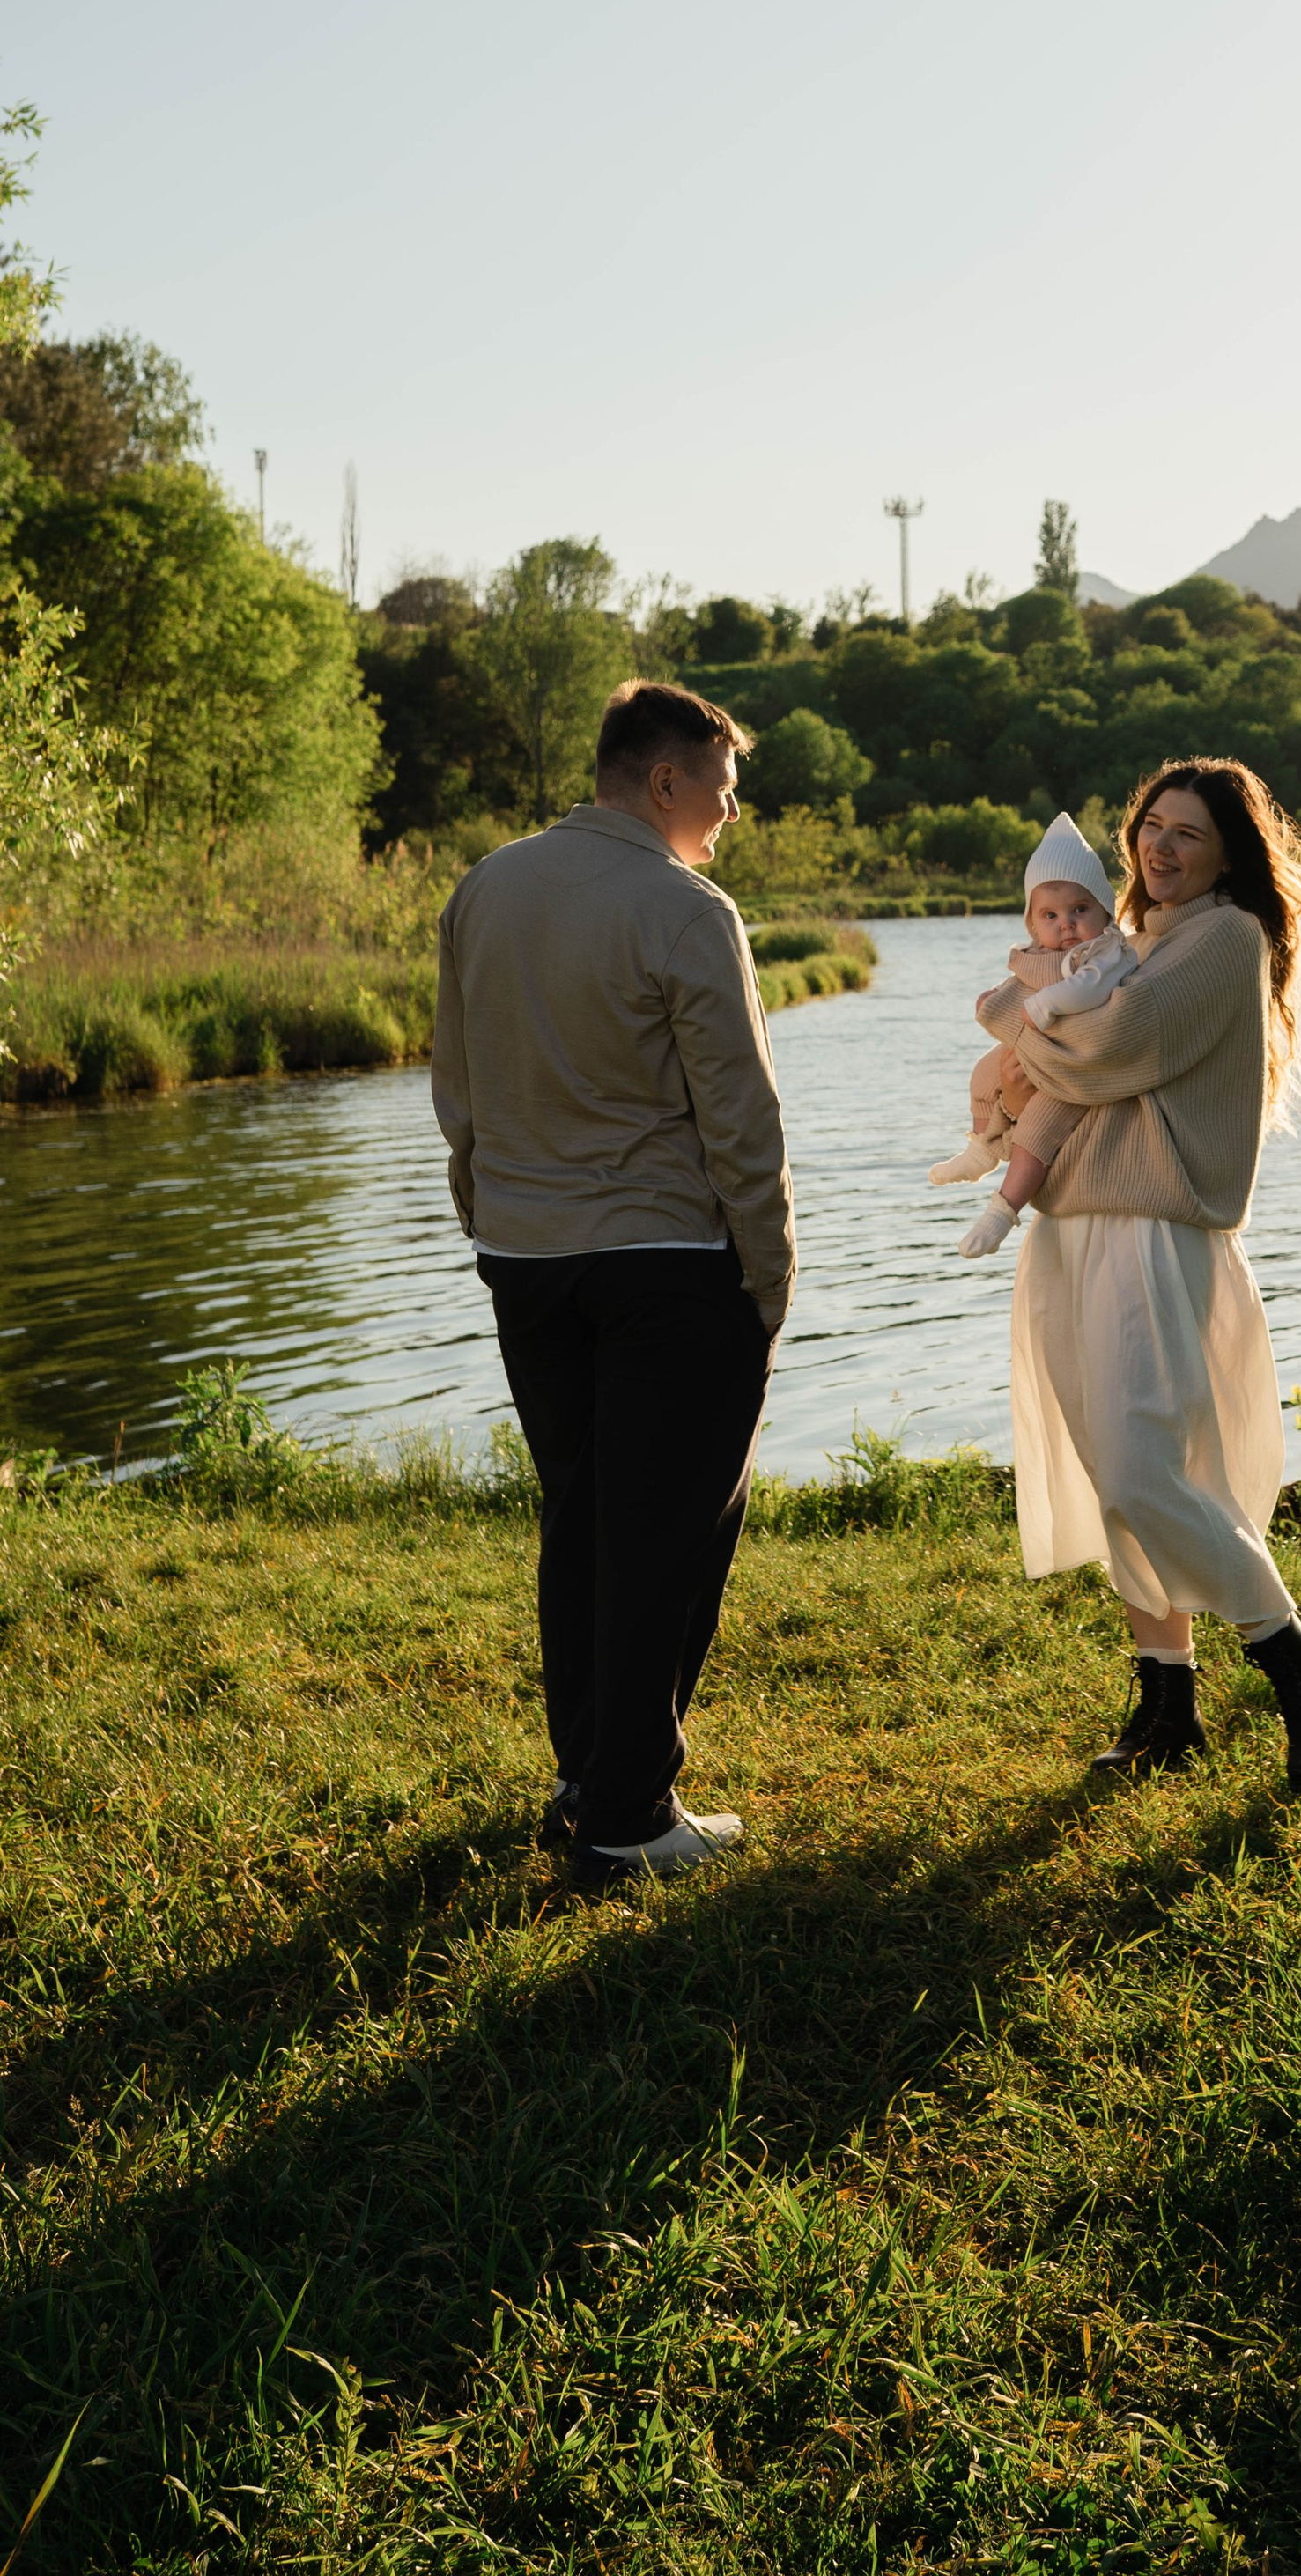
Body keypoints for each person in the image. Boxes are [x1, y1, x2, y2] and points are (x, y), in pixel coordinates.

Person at [430, 678, 795, 1884]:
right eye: (725, 791)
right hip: (668, 1268)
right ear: (665, 782)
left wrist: (492, 1218)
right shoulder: (687, 909)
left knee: (586, 1520)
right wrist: (769, 1274)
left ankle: (591, 1778)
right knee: (672, 1533)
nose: (730, 814)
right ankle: (629, 1819)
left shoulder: (485, 887)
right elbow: (741, 1120)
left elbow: (458, 1086)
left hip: (527, 1262)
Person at [990, 757, 1301, 1791]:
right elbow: (1048, 1046)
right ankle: (1168, 1703)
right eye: (1151, 826)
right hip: (1071, 1226)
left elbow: (1110, 1045)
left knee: (1145, 1463)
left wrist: (1033, 1016)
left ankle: (1299, 1659)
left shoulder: (1222, 938)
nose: (1159, 847)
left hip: (1154, 1232)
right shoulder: (1128, 941)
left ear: (1228, 855)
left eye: (1187, 834)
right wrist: (1040, 1022)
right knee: (1113, 1476)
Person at [928, 812, 1137, 1248]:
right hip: (1032, 1050)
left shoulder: (1106, 952)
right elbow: (1020, 985)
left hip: (1071, 1072)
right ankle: (982, 1147)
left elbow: (1087, 990)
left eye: (1080, 909)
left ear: (1105, 909)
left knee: (1035, 1136)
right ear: (1032, 922)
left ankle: (1003, 1209)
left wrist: (1041, 1004)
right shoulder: (1039, 952)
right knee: (983, 1077)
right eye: (1050, 915)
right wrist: (996, 998)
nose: (1066, 924)